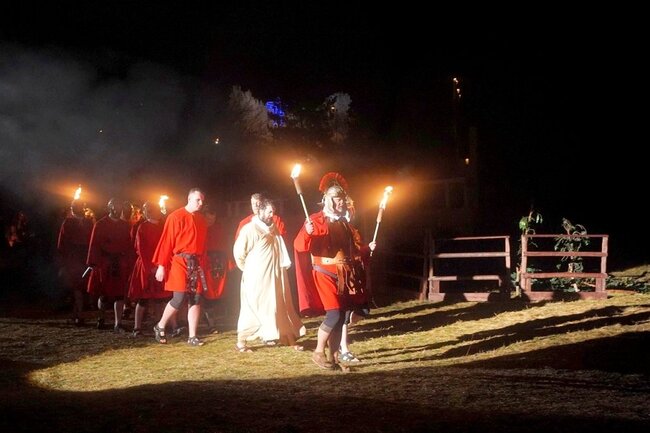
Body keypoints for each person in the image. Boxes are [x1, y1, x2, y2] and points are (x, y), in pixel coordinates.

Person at [293, 172, 375, 371]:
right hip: (324, 273)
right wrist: (307, 233)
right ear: (328, 200)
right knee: (334, 313)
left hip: (343, 275)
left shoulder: (344, 223)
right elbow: (300, 245)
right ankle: (318, 351)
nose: (342, 203)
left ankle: (334, 358)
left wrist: (366, 250)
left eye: (343, 199)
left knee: (341, 317)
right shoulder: (315, 220)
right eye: (338, 199)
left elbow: (352, 251)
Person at [233, 198, 305, 352]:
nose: (271, 215)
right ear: (260, 211)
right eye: (269, 211)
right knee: (253, 307)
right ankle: (241, 342)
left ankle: (288, 338)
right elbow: (239, 253)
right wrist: (249, 270)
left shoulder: (273, 229)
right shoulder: (249, 229)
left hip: (275, 275)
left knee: (280, 305)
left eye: (273, 211)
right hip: (256, 277)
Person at [152, 188, 209, 346]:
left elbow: (203, 245)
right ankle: (160, 325)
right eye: (198, 200)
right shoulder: (175, 216)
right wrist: (161, 266)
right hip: (180, 261)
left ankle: (192, 336)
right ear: (189, 199)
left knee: (195, 298)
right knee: (179, 297)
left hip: (196, 262)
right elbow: (167, 242)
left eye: (202, 200)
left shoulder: (201, 220)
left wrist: (203, 264)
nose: (201, 203)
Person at [127, 201, 174, 337]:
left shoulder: (162, 226)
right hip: (146, 266)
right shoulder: (143, 227)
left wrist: (162, 264)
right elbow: (141, 249)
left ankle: (160, 324)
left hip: (161, 264)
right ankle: (137, 327)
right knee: (143, 298)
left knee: (161, 297)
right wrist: (150, 267)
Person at [86, 198, 134, 332]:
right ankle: (101, 317)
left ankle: (118, 323)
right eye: (115, 207)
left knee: (120, 293)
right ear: (110, 208)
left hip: (120, 263)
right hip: (105, 263)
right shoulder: (101, 224)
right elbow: (94, 244)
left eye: (119, 207)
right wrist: (93, 262)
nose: (117, 210)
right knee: (104, 294)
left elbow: (129, 245)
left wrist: (130, 262)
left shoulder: (125, 225)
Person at [57, 199, 94, 326]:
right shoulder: (88, 222)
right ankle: (76, 314)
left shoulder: (69, 223)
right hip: (85, 258)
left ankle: (80, 315)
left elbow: (62, 244)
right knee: (78, 287)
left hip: (74, 258)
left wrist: (63, 261)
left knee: (77, 287)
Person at [201, 204, 230, 332]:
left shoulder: (218, 228)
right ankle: (210, 323)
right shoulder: (199, 228)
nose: (210, 221)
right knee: (205, 292)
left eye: (212, 219)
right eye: (208, 219)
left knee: (217, 292)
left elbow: (225, 245)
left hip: (218, 263)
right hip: (204, 263)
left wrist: (229, 262)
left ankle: (212, 321)